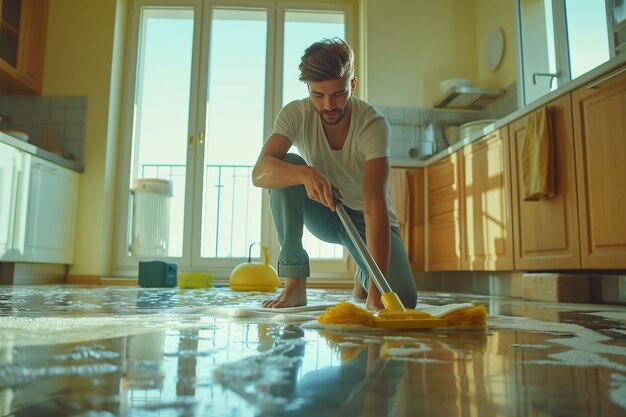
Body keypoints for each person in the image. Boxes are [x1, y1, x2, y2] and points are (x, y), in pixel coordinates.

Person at [252, 38, 416, 311]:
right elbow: (260, 173)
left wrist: (378, 290)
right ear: (308, 89)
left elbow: (375, 205)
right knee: (285, 164)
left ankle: (363, 275)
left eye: (338, 94)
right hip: (324, 210)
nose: (329, 105)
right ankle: (294, 284)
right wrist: (304, 173)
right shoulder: (295, 114)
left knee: (402, 299)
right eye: (319, 95)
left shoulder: (372, 125)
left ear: (352, 85)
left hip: (366, 218)